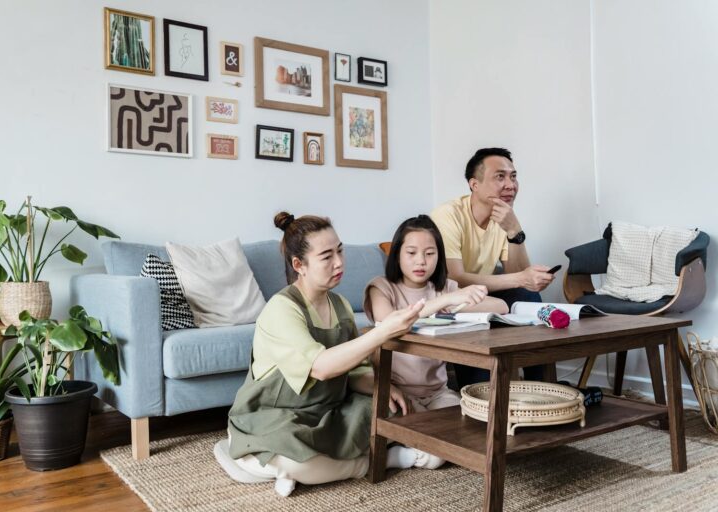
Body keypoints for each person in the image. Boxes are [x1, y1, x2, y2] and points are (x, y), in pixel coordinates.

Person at [214, 212, 425, 497]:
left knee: (400, 414)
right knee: (296, 458)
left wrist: (381, 389)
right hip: (278, 415)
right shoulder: (282, 309)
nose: (339, 262)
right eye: (327, 256)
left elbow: (354, 371)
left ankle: (305, 469)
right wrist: (383, 331)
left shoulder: (340, 305)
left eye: (340, 251)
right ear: (299, 265)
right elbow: (321, 368)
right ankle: (379, 461)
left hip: (327, 409)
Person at [363, 215, 508, 468]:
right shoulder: (382, 287)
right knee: (439, 452)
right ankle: (403, 449)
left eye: (430, 253)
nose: (421, 261)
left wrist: (465, 298)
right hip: (398, 394)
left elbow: (501, 306)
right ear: (397, 254)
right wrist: (443, 303)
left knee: (473, 436)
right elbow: (388, 322)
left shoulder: (444, 288)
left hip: (437, 394)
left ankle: (417, 439)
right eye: (412, 252)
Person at [430, 148, 555, 384]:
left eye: (513, 176)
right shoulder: (448, 215)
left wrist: (514, 231)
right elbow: (455, 278)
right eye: (500, 177)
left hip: (480, 295)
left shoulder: (504, 218)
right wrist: (521, 279)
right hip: (447, 298)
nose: (510, 184)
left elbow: (523, 278)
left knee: (526, 297)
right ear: (474, 184)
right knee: (517, 289)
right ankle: (483, 388)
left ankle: (541, 386)